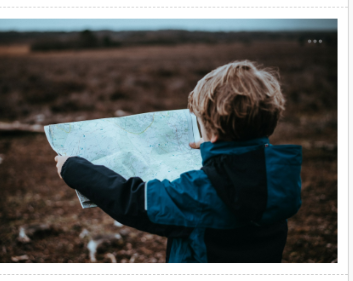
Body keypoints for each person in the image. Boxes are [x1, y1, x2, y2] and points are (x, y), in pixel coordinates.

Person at [54, 60, 302, 263]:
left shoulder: (202, 191)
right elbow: (243, 164)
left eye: (201, 124)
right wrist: (213, 148)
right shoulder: (281, 176)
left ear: (213, 132)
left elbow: (134, 201)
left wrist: (74, 168)